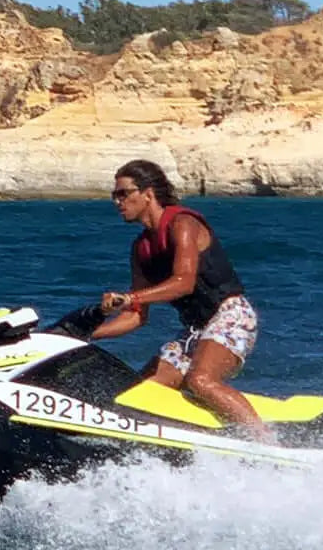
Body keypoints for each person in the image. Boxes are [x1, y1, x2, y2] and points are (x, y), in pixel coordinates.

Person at [91, 159, 269, 437]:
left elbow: (183, 283)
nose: (117, 202)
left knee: (200, 380)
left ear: (148, 194)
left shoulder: (182, 224)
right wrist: (88, 333)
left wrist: (129, 297)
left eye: (123, 193)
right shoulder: (141, 248)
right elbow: (136, 315)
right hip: (196, 330)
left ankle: (266, 441)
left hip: (231, 316)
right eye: (114, 195)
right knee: (144, 390)